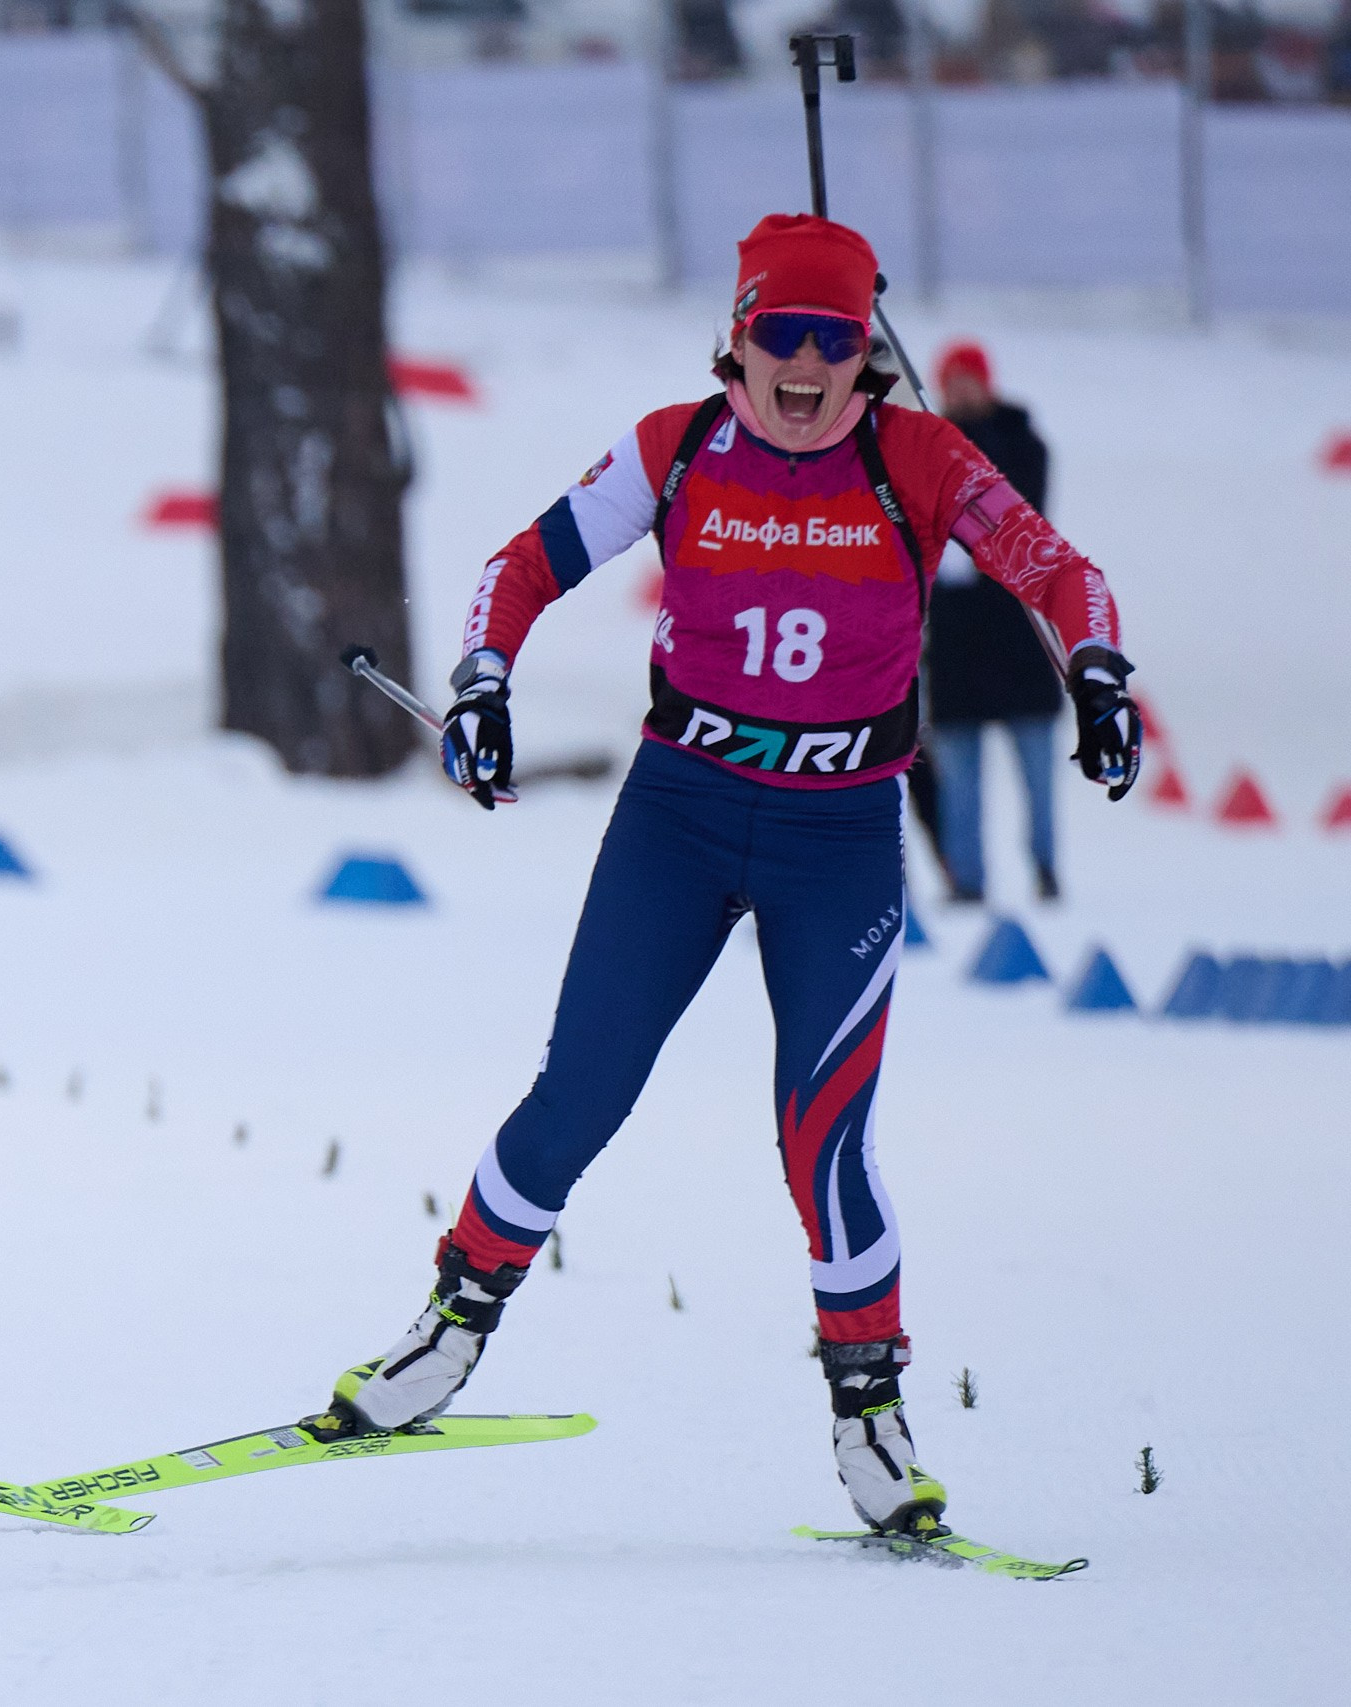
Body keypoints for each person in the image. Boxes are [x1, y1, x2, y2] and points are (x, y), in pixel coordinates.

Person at [316, 215, 1142, 1537]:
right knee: (578, 1091)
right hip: (681, 815)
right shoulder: (677, 446)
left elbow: (1058, 570)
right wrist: (480, 685)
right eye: (782, 333)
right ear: (738, 338)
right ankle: (448, 1330)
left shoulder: (919, 456)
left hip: (840, 834)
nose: (806, 363)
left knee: (823, 1140)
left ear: (867, 350)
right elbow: (520, 567)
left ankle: (871, 1412)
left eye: (835, 337)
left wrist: (1096, 672)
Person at [923, 340, 1065, 903]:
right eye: (950, 383)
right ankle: (967, 879)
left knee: (1037, 771)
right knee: (959, 776)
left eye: (968, 381)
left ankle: (1046, 868)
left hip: (1018, 639)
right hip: (955, 645)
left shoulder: (1022, 442)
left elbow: (1021, 508)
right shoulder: (928, 447)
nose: (959, 393)